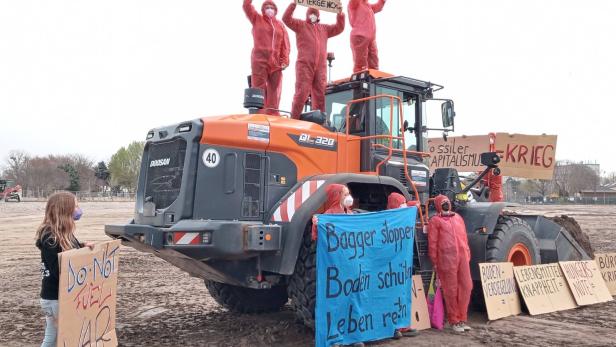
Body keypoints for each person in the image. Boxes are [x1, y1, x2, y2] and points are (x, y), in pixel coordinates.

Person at [36, 192, 94, 347]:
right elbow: (58, 268)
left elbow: (68, 251)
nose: (78, 209)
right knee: (58, 337)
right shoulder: (50, 237)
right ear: (64, 210)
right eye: (75, 206)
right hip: (55, 298)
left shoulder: (64, 234)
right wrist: (77, 256)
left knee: (53, 336)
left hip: (57, 297)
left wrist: (82, 246)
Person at [283, 2, 345, 119]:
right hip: (305, 65)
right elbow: (286, 19)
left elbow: (339, 28)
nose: (313, 15)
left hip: (320, 67)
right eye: (311, 13)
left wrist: (340, 14)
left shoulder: (324, 29)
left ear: (318, 16)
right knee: (302, 92)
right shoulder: (300, 25)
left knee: (320, 94)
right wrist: (293, 5)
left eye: (315, 14)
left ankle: (319, 120)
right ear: (307, 14)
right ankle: (294, 118)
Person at [427, 195, 473, 333]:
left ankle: (462, 318)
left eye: (447, 202)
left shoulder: (458, 218)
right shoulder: (435, 221)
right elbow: (433, 242)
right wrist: (435, 261)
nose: (446, 204)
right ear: (438, 205)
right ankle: (454, 320)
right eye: (443, 203)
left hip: (462, 258)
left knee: (467, 286)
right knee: (450, 290)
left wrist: (467, 253)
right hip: (446, 260)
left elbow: (464, 237)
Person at [243, 0, 290, 115]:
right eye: (267, 7)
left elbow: (285, 44)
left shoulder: (280, 25)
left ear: (275, 10)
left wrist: (284, 60)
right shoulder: (256, 18)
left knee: (275, 89)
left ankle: (273, 114)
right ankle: (260, 114)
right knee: (259, 88)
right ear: (263, 9)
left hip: (276, 62)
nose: (269, 9)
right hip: (259, 60)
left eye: (272, 7)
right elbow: (246, 6)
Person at [386, 192, 420, 339]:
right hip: (388, 268)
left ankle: (402, 324)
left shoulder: (401, 216)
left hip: (400, 266)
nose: (404, 206)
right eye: (401, 204)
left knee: (401, 295)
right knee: (389, 297)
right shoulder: (386, 219)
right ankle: (391, 327)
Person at [348, 0, 387, 73]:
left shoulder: (367, 5)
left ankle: (374, 76)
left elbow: (378, 7)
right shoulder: (354, 3)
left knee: (374, 62)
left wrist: (382, 1)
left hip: (371, 38)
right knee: (361, 64)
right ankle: (360, 78)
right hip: (360, 36)